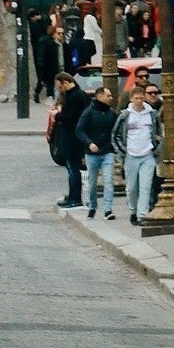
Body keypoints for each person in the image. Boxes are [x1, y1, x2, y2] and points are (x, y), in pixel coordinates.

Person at [111, 86, 158, 225]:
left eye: (142, 98)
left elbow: (158, 133)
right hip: (131, 155)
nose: (139, 101)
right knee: (132, 188)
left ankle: (142, 215)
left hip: (147, 154)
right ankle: (133, 210)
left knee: (145, 186)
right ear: (131, 99)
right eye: (136, 98)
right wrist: (123, 151)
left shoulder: (152, 114)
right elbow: (115, 135)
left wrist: (155, 149)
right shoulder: (126, 115)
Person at [77, 86, 119, 219]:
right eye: (108, 95)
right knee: (92, 182)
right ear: (100, 96)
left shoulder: (111, 113)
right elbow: (80, 130)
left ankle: (108, 209)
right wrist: (89, 143)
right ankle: (92, 206)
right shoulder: (88, 112)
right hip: (92, 153)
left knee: (108, 180)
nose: (111, 98)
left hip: (107, 151)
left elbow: (117, 129)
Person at [53, 73, 90, 208]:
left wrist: (57, 115)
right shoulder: (76, 95)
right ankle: (72, 196)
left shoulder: (76, 96)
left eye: (59, 87)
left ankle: (75, 198)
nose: (59, 90)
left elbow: (70, 118)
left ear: (65, 82)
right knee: (71, 169)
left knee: (73, 169)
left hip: (73, 139)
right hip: (72, 138)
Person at [35, 25, 63, 102]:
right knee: (51, 82)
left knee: (44, 81)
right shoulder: (52, 43)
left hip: (45, 64)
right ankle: (51, 96)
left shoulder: (42, 40)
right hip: (51, 65)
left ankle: (38, 93)